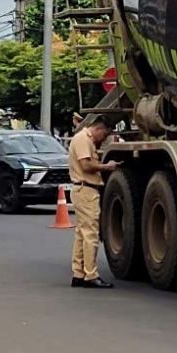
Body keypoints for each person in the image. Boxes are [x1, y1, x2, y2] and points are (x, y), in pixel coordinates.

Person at [67, 115, 120, 289]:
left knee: (82, 234)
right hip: (86, 189)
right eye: (104, 135)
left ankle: (79, 273)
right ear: (99, 129)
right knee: (90, 234)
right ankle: (91, 275)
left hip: (83, 189)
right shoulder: (83, 140)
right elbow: (86, 166)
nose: (103, 139)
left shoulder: (83, 139)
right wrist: (107, 166)